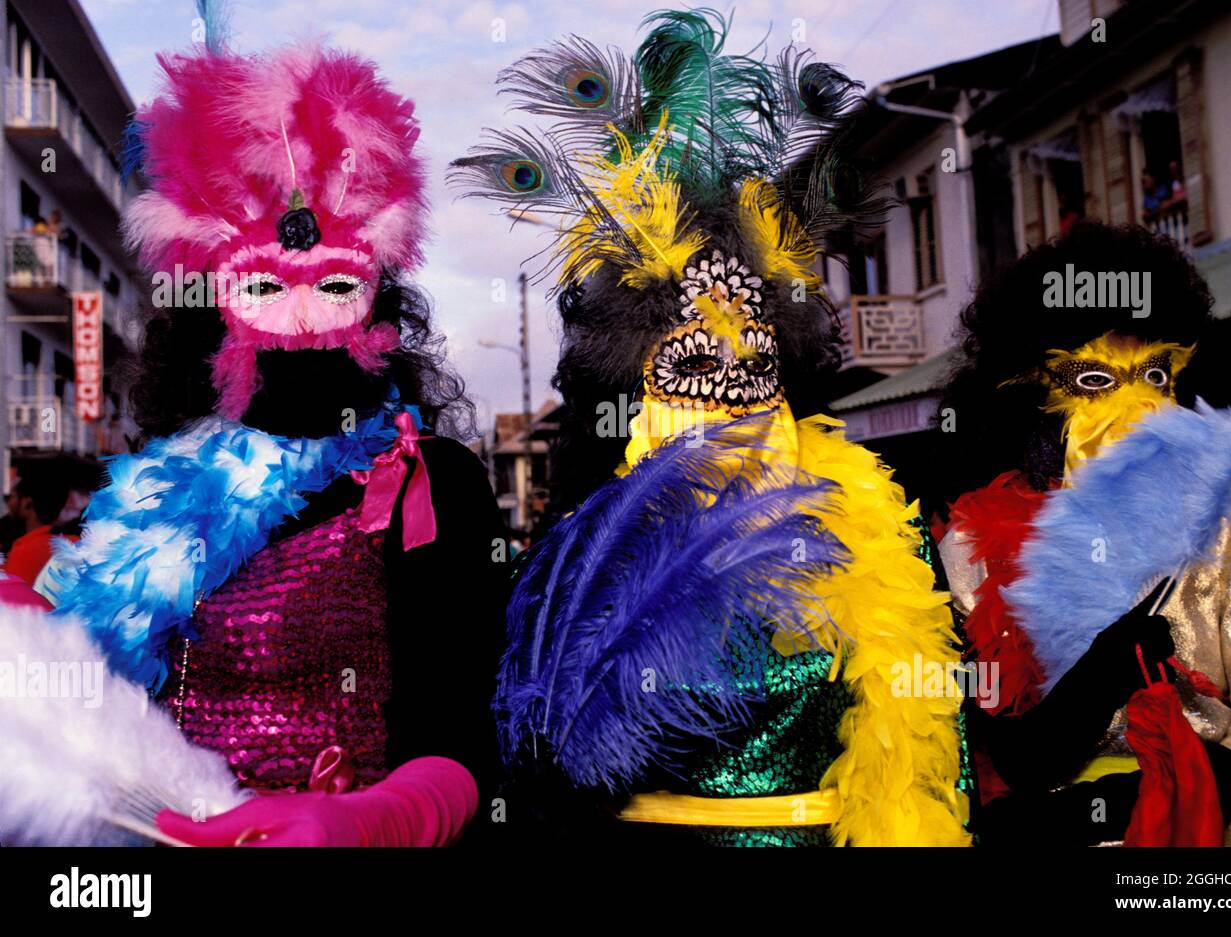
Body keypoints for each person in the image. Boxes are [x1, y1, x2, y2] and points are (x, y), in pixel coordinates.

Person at [453, 8, 969, 846]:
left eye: (756, 368)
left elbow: (937, 756)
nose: (733, 402)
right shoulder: (582, 564)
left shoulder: (877, 528)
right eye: (697, 369)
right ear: (640, 387)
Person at [2, 10, 507, 847]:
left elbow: (464, 734)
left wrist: (372, 818)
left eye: (335, 283)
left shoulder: (424, 481)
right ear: (212, 307)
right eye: (266, 287)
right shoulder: (155, 491)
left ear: (378, 296)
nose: (302, 312)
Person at [935, 222, 1231, 846]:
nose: (1135, 408)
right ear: (1030, 394)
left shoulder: (1228, 529)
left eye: (1155, 376)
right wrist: (1100, 676)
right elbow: (997, 754)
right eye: (1096, 381)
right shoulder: (971, 549)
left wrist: (1117, 806)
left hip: (1209, 836)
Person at [1, 471, 71, 585]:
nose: (9, 505)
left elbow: (12, 601)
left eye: (12, 497)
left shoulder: (23, 552)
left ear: (27, 503)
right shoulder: (74, 543)